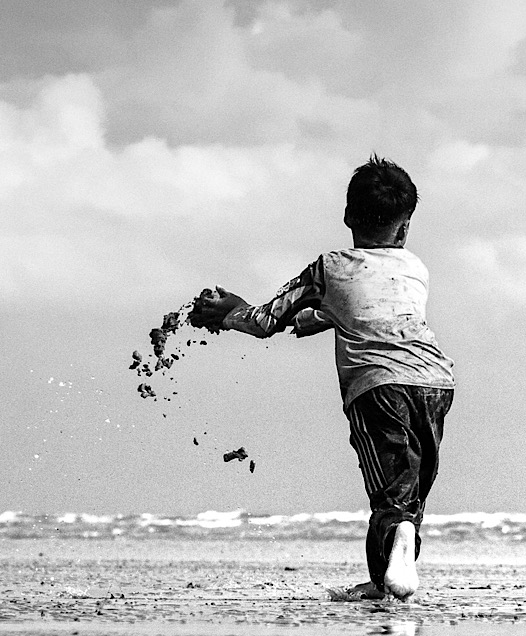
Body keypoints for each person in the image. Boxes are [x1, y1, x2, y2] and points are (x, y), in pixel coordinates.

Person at [187, 156, 454, 601]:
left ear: (348, 216)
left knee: (388, 492)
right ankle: (386, 573)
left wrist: (231, 311)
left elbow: (264, 320)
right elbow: (372, 311)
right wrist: (317, 317)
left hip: (377, 386)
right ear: (405, 226)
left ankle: (394, 558)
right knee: (406, 485)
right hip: (435, 382)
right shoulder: (415, 268)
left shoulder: (329, 266)